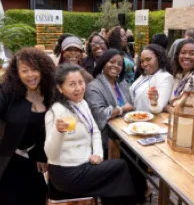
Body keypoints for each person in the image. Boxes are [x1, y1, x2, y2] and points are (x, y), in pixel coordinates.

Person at [45, 63, 137, 205]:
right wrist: (59, 132)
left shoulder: (82, 103)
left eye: (81, 82)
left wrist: (98, 155)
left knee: (118, 172)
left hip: (85, 164)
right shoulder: (57, 111)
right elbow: (51, 154)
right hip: (67, 173)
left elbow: (95, 131)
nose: (78, 88)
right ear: (60, 88)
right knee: (121, 169)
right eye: (71, 84)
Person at [0, 47, 55, 205]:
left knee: (38, 196)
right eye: (25, 71)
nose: (31, 75)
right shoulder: (7, 92)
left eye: (34, 69)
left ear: (42, 69)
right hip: (5, 161)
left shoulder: (49, 94)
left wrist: (41, 156)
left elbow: (44, 131)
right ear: (17, 73)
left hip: (31, 161)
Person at [85, 49, 133, 157]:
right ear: (103, 63)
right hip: (107, 141)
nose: (116, 66)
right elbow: (99, 115)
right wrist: (122, 109)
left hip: (127, 136)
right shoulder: (93, 87)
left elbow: (131, 108)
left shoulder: (123, 84)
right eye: (112, 62)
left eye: (120, 64)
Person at [131, 44, 173, 114]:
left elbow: (160, 107)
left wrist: (154, 103)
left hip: (149, 122)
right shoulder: (145, 75)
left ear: (159, 58)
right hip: (135, 118)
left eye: (148, 59)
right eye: (142, 61)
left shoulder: (166, 77)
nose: (144, 64)